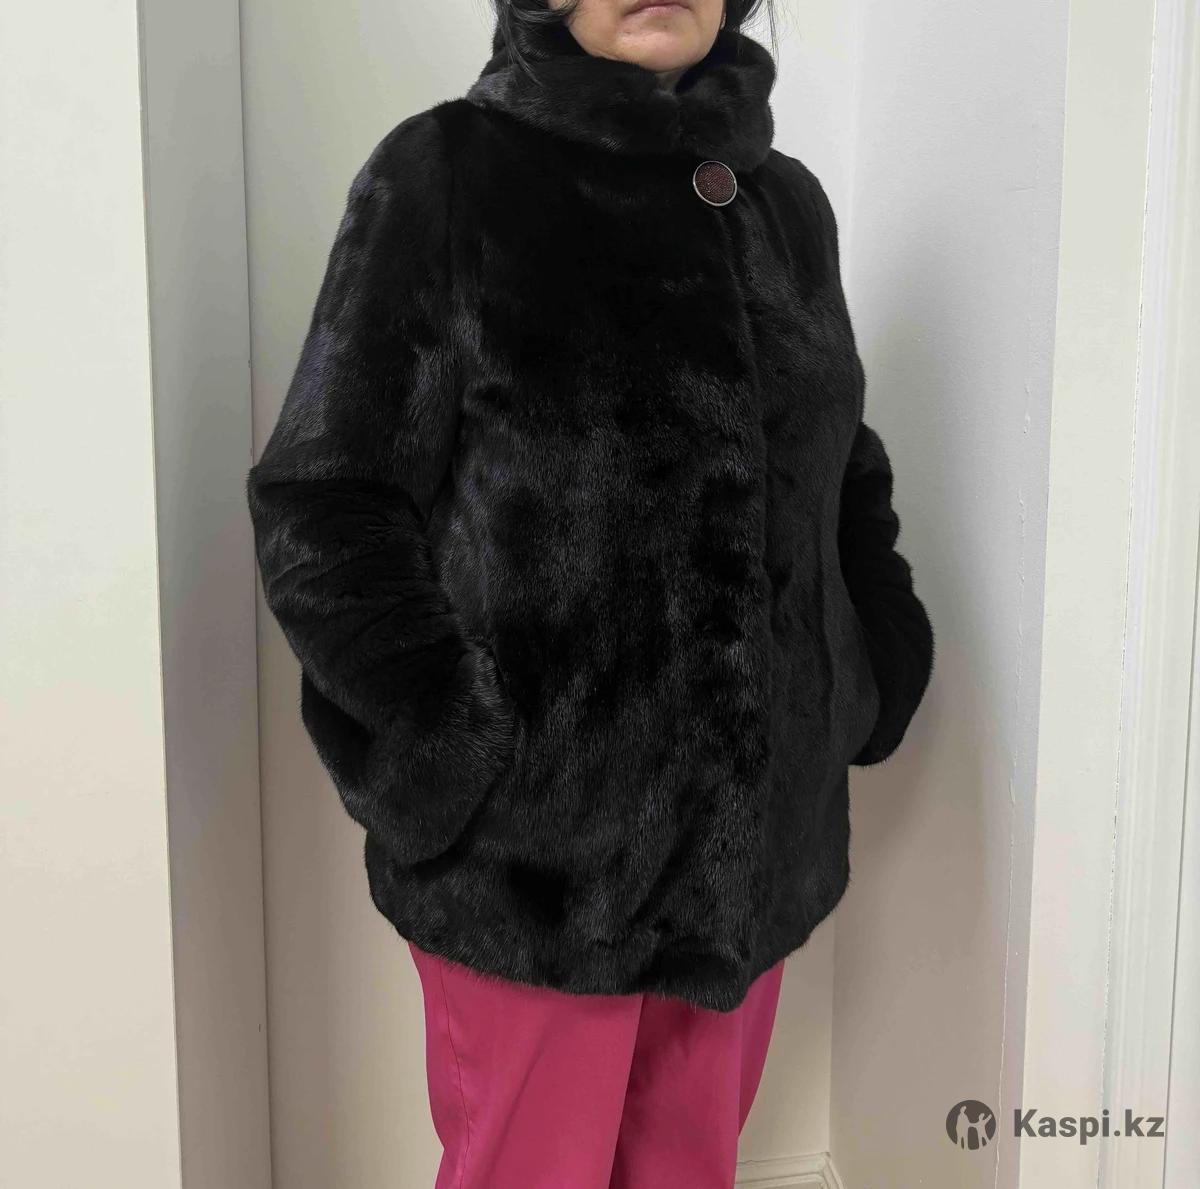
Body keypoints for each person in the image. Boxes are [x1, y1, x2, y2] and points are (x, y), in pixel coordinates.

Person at [246, 0, 934, 1184]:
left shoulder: (787, 207)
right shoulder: (447, 177)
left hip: (755, 853)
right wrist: (446, 746)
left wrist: (872, 660)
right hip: (537, 871)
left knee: (689, 1168)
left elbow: (842, 462)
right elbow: (327, 500)